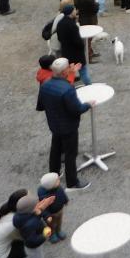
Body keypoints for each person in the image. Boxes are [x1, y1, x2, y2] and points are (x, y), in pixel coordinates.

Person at [36, 58, 93, 190]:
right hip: (68, 126)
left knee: (55, 149)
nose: (70, 69)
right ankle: (72, 182)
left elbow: (41, 105)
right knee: (70, 154)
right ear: (64, 72)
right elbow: (77, 109)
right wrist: (88, 104)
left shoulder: (45, 84)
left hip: (54, 124)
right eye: (68, 68)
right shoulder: (67, 89)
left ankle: (54, 173)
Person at [0, 188, 53, 258]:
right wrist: (44, 232)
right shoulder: (16, 224)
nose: (35, 199)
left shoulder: (5, 211)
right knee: (30, 247)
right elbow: (30, 238)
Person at [11, 194, 50, 258]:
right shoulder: (31, 224)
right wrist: (44, 235)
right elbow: (32, 240)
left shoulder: (18, 215)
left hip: (29, 241)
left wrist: (39, 213)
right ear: (31, 209)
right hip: (33, 246)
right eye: (37, 204)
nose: (39, 204)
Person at [37, 172, 70, 243]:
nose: (59, 181)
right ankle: (52, 234)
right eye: (57, 180)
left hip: (59, 210)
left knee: (59, 222)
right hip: (51, 214)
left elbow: (63, 194)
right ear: (51, 185)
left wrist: (65, 200)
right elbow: (44, 208)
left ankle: (58, 231)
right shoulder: (45, 197)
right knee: (51, 225)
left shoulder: (58, 188)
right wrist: (47, 216)